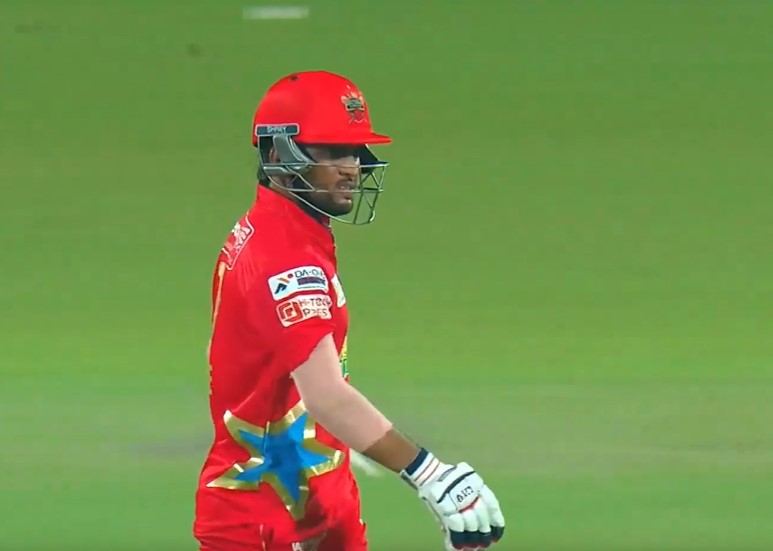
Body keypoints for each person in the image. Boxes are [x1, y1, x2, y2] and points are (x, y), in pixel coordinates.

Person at [193, 70, 506, 551]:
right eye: (332, 152)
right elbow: (326, 395)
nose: (351, 168)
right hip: (266, 522)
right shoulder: (285, 257)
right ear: (278, 155)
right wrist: (430, 474)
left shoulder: (277, 232)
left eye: (355, 152)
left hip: (311, 499)